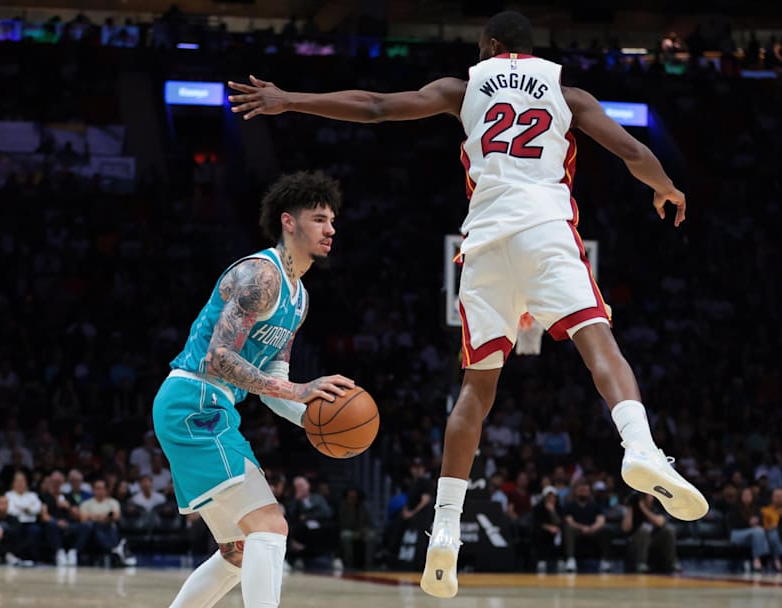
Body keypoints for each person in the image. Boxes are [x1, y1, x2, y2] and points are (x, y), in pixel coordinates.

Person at [227, 9, 707, 597]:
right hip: (546, 228)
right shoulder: (567, 91)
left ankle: (444, 531)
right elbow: (632, 151)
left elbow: (377, 106)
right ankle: (641, 447)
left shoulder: (463, 87)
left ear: (492, 46)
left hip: (483, 246)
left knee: (476, 389)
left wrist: (289, 99)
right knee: (597, 342)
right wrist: (665, 187)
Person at [153, 171, 352, 608]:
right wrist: (301, 390)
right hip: (196, 399)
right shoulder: (261, 277)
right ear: (289, 222)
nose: (331, 228)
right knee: (270, 525)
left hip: (208, 405)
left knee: (240, 551)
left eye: (332, 220)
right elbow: (218, 358)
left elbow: (272, 387)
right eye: (319, 218)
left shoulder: (299, 298)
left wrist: (313, 419)